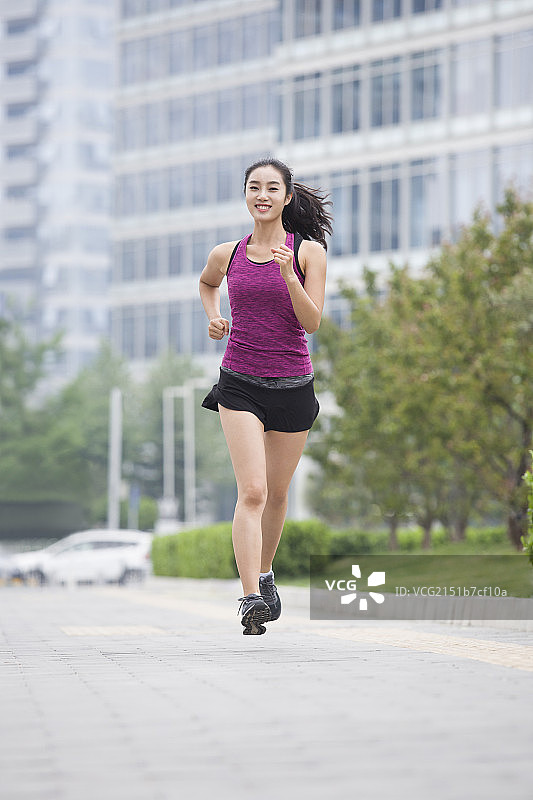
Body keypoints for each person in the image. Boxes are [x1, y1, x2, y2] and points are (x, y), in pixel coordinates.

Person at [199, 157, 332, 635]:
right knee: (252, 491)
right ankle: (251, 597)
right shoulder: (228, 253)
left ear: (287, 197)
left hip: (293, 385)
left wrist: (289, 276)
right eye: (254, 187)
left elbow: (312, 323)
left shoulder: (308, 253)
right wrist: (214, 316)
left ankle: (266, 573)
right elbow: (207, 283)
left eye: (272, 188)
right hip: (240, 382)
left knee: (276, 495)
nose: (262, 195)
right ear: (246, 195)